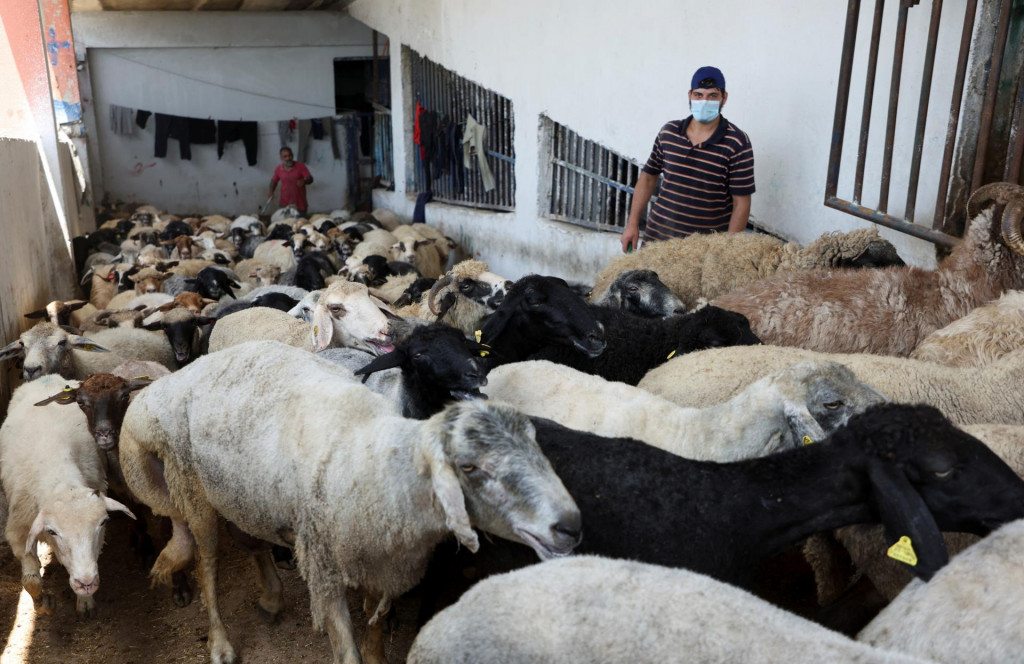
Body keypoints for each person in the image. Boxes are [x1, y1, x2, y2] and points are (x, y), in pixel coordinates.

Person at [621, 66, 755, 252]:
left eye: (712, 96)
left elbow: (742, 203)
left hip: (703, 252)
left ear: (724, 98)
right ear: (689, 95)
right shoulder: (669, 132)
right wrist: (632, 224)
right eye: (698, 95)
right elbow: (648, 178)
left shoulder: (737, 142)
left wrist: (727, 252)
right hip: (657, 242)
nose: (704, 101)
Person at [268, 146, 314, 216]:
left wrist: (304, 181)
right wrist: (271, 191)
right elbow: (274, 181)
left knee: (301, 225)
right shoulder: (278, 169)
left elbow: (310, 179)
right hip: (284, 204)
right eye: (285, 156)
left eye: (290, 156)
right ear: (281, 158)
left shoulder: (300, 166)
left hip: (299, 204)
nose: (288, 158)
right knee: (284, 225)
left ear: (292, 156)